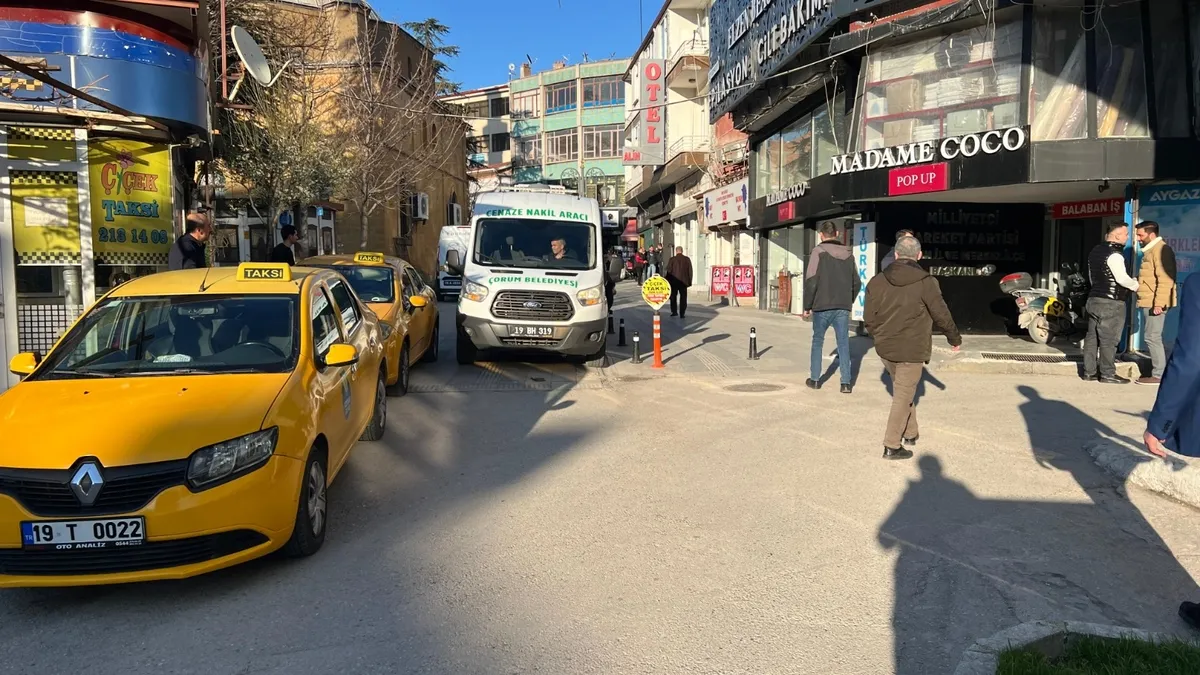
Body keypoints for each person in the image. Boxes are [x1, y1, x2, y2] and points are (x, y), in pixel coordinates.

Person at [864, 236, 961, 460]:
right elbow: (941, 314)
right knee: (903, 395)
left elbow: (869, 317)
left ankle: (910, 432)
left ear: (896, 255)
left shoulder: (876, 281)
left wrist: (878, 335)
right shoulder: (926, 282)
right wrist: (954, 338)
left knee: (903, 391)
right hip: (912, 347)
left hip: (886, 347)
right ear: (919, 255)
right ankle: (891, 445)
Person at [803, 220, 861, 393]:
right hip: (842, 306)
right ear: (837, 234)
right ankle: (846, 383)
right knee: (843, 343)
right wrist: (848, 300)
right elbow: (856, 282)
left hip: (821, 305)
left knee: (817, 341)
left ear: (821, 235)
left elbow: (811, 281)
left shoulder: (818, 252)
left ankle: (815, 379)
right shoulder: (849, 254)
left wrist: (807, 305)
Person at [1083, 222, 1140, 383]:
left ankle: (1089, 372)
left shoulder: (1095, 251)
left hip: (1094, 299)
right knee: (1109, 339)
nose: (1128, 237)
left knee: (1092, 338)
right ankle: (1107, 373)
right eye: (1126, 234)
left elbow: (1092, 277)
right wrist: (1136, 285)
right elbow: (1121, 278)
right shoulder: (1115, 255)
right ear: (1116, 235)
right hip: (1111, 302)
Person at [1134, 221, 1177, 385]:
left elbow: (1165, 279)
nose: (1138, 238)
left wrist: (1159, 303)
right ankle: (1158, 373)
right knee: (1152, 336)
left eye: (1141, 235)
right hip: (1149, 300)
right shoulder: (1151, 250)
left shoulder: (1161, 250)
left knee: (1152, 337)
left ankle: (1158, 375)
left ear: (1151, 234)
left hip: (1154, 302)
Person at [665, 246, 693, 319]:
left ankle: (674, 312)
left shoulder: (672, 259)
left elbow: (669, 271)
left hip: (673, 282)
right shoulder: (687, 259)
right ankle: (682, 313)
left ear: (676, 251)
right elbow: (690, 271)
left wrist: (667, 280)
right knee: (683, 297)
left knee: (673, 297)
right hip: (684, 282)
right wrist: (689, 281)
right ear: (682, 251)